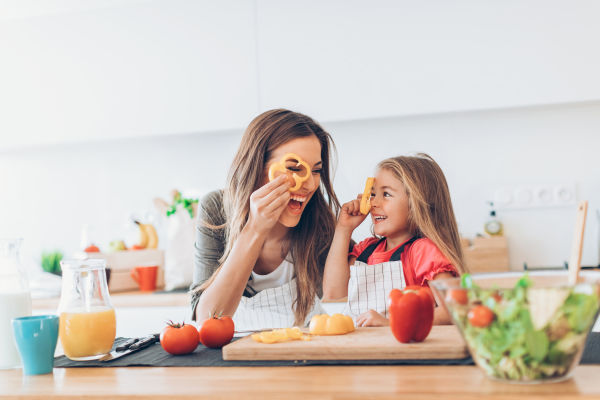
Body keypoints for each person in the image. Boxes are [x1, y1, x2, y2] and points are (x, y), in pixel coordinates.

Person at [190, 109, 340, 330]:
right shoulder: (216, 208)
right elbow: (208, 319)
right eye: (294, 168)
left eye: (316, 171)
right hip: (235, 353)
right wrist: (255, 229)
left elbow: (343, 295)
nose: (308, 184)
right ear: (257, 166)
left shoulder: (318, 218)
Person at [322, 153, 466, 326]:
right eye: (373, 194)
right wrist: (343, 229)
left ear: (416, 204)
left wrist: (393, 323)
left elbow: (455, 309)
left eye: (387, 194)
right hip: (363, 347)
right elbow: (333, 292)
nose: (374, 203)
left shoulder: (423, 251)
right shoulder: (366, 250)